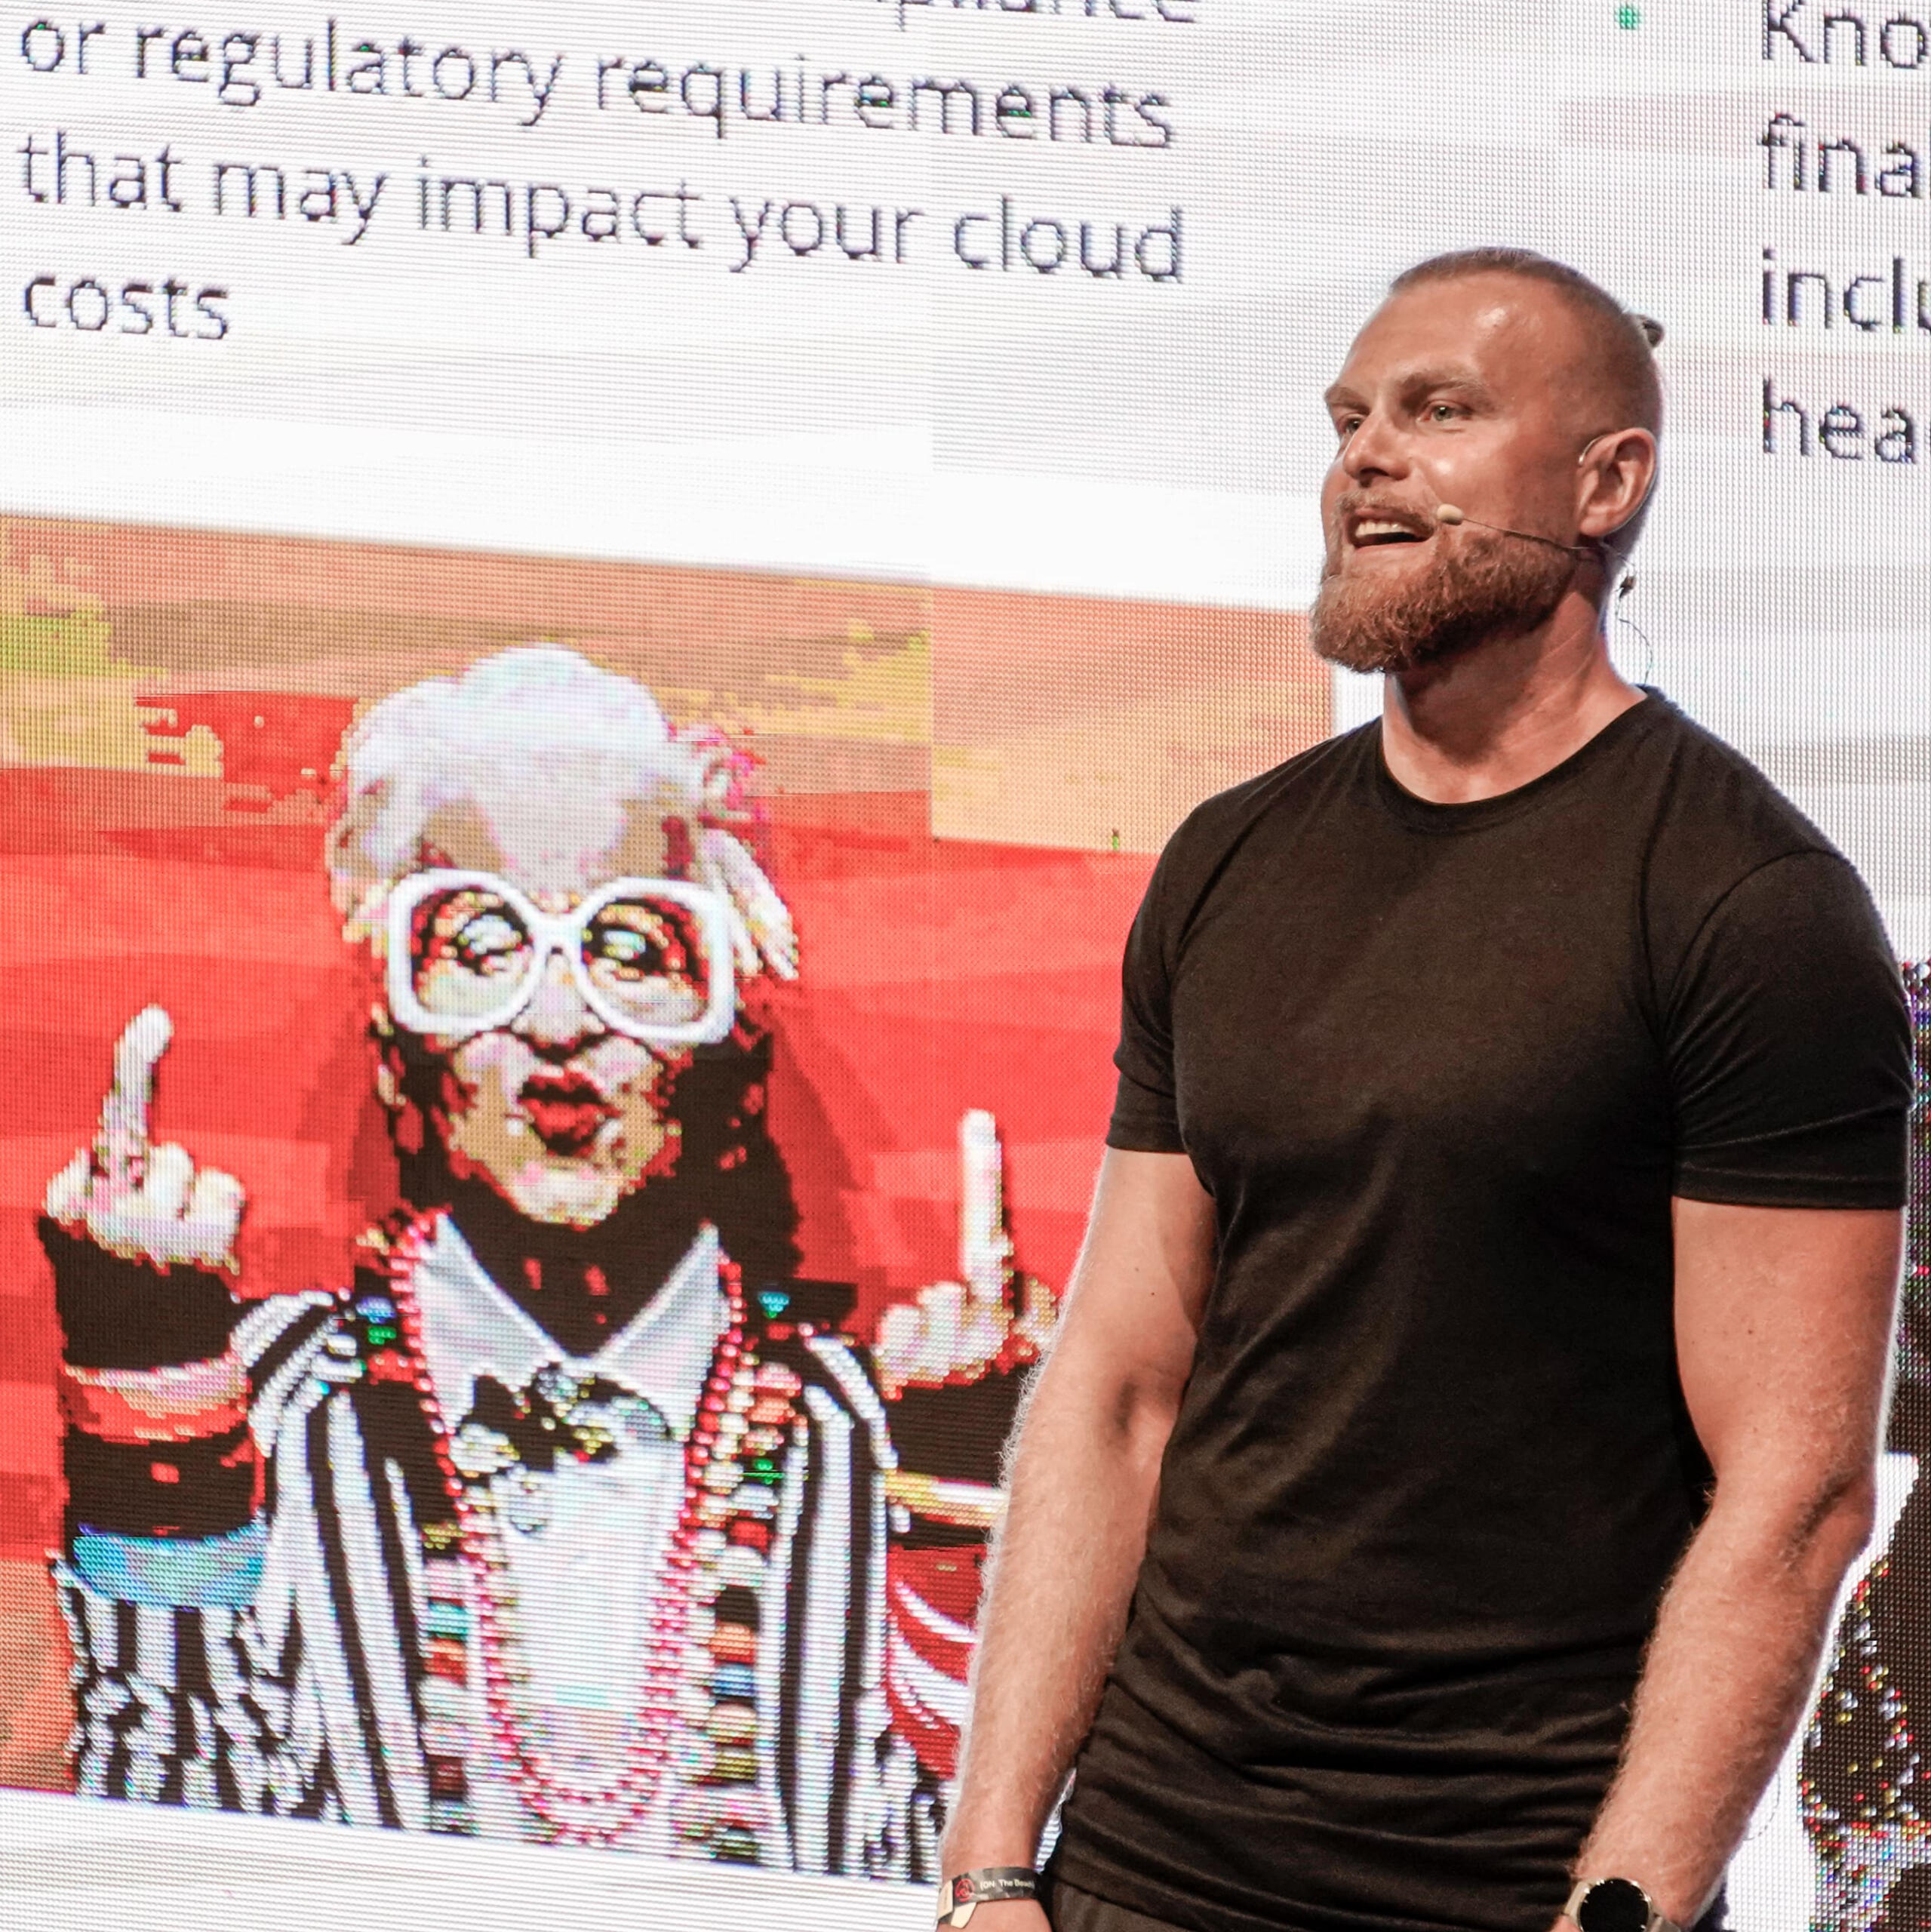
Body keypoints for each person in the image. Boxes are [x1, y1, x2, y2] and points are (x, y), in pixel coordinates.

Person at [938, 248, 1914, 1932]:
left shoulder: (1746, 905)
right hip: (1147, 1854)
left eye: (1437, 410)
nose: (1366, 458)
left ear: (1606, 482)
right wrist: (992, 1864)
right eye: (1348, 420)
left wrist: (1620, 1908)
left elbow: (1796, 1494)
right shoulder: (1228, 859)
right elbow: (1115, 1389)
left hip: (1503, 1877)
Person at [39, 645, 1052, 1877]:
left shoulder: (876, 1442)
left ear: (731, 1045)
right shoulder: (250, 1408)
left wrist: (973, 1514)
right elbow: (162, 1874)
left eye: (632, 949)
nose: (561, 1022)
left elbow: (971, 1885)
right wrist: (145, 1400)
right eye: (482, 944)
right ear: (397, 1048)